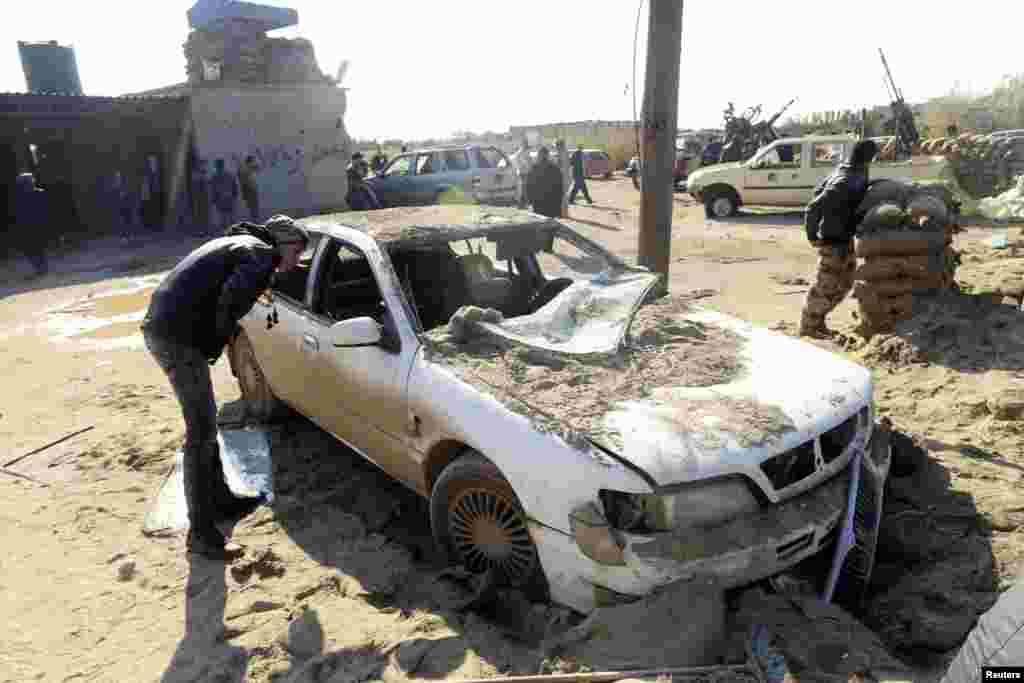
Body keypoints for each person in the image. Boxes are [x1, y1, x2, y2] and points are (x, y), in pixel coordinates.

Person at [141, 216, 310, 559]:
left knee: (206, 425)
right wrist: (221, 340)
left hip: (168, 327)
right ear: (286, 245)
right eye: (297, 255)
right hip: (175, 338)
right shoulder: (262, 254)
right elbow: (230, 299)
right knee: (200, 433)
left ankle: (222, 501)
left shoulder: (244, 245)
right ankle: (202, 534)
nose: (297, 263)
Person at [799, 139, 878, 338]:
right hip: (833, 240)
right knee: (826, 285)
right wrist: (812, 235)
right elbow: (814, 206)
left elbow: (818, 189)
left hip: (845, 237)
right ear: (869, 158)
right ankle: (808, 326)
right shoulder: (845, 180)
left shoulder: (852, 170)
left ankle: (818, 321)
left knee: (845, 283)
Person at [12, 172, 50, 277]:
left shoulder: (19, 195)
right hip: (32, 224)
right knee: (34, 248)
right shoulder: (37, 193)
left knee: (33, 248)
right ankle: (41, 268)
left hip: (30, 225)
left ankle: (40, 268)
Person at [525, 146, 564, 219]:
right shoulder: (555, 169)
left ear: (539, 156)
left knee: (540, 225)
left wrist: (530, 202)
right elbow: (560, 188)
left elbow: (528, 187)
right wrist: (559, 204)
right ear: (548, 155)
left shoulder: (534, 169)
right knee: (550, 225)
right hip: (551, 204)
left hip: (539, 203)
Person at [210, 159, 239, 233]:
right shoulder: (229, 175)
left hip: (221, 199)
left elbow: (213, 189)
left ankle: (227, 230)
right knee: (229, 215)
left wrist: (214, 199)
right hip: (228, 198)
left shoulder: (214, 177)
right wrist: (235, 195)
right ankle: (232, 230)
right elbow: (234, 186)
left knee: (224, 216)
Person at [510, 139, 533, 209]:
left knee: (524, 189)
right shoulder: (521, 151)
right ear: (524, 144)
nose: (527, 145)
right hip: (523, 172)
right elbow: (516, 158)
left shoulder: (525, 151)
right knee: (523, 189)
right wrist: (523, 164)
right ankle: (521, 204)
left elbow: (528, 160)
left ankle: (523, 204)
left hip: (525, 172)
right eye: (526, 144)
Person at [190, 158, 210, 234]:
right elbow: (195, 187)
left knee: (204, 213)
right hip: (198, 197)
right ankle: (200, 230)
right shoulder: (196, 174)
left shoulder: (203, 174)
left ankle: (204, 229)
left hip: (204, 197)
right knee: (199, 213)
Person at [238, 156, 261, 222]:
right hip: (249, 189)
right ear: (250, 162)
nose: (254, 163)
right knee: (253, 206)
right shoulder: (245, 169)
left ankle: (254, 219)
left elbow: (257, 168)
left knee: (253, 206)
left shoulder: (246, 168)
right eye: (253, 161)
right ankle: (254, 220)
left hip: (250, 189)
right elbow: (243, 178)